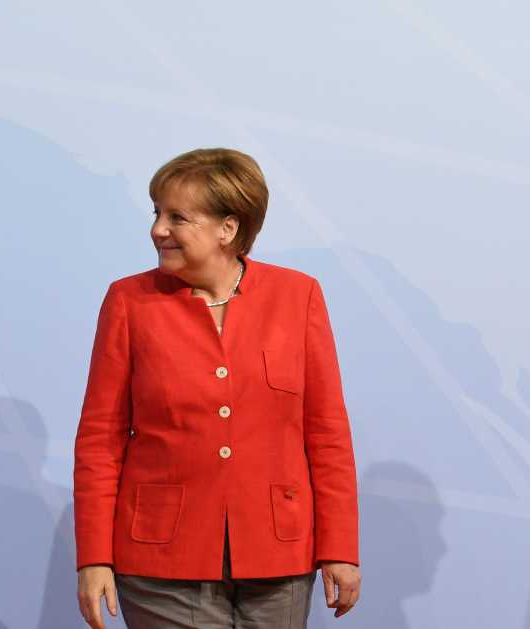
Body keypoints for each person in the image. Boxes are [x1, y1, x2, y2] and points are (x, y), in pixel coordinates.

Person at [73, 148, 361, 628]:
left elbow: (327, 433)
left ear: (228, 228)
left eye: (177, 217)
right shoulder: (128, 302)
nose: (158, 229)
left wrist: (340, 548)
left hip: (279, 557)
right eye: (157, 213)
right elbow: (100, 441)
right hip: (161, 560)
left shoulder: (298, 296)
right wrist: (94, 557)